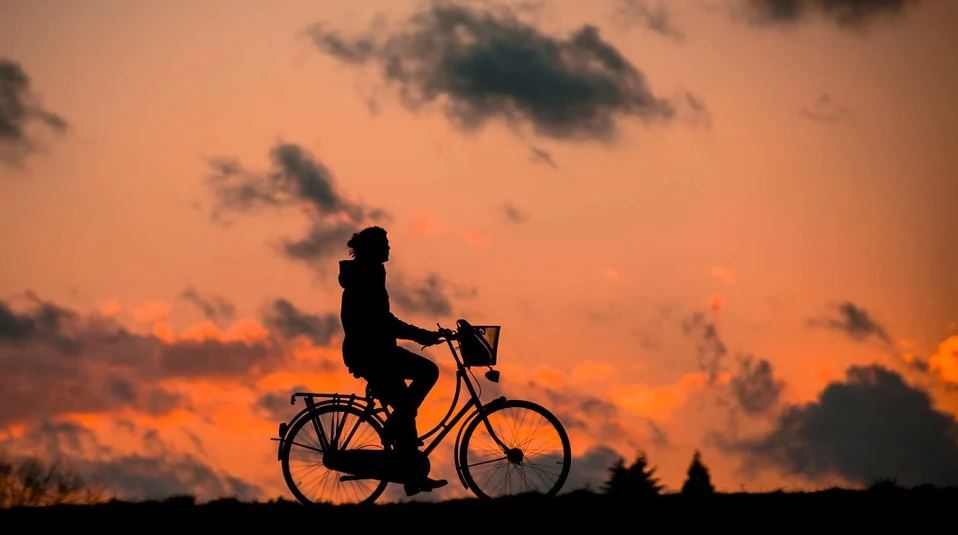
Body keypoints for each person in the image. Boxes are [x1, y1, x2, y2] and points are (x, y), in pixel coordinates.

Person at [338, 226, 448, 495]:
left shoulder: (367, 273)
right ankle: (394, 430)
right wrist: (421, 334)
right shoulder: (367, 275)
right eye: (385, 244)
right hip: (372, 354)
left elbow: (383, 321)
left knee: (405, 408)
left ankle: (412, 476)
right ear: (374, 249)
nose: (389, 248)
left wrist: (420, 335)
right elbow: (383, 321)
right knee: (427, 372)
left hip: (374, 352)